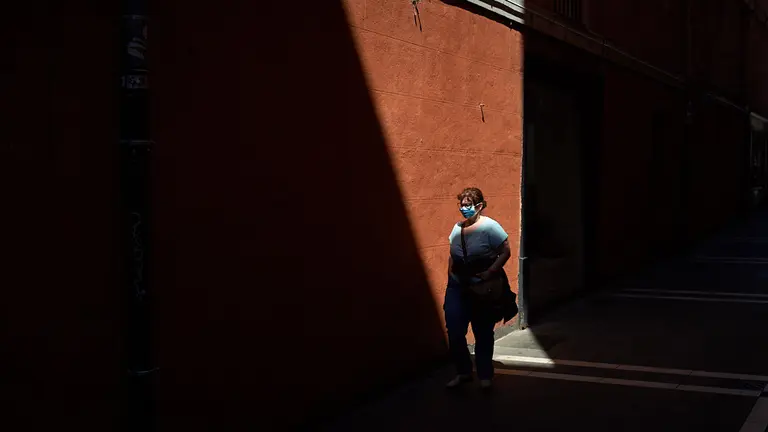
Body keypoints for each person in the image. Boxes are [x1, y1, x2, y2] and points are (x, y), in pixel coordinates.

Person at [444, 187, 515, 390]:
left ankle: (485, 375)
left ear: (479, 206)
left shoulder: (490, 227)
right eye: (462, 204)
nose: (464, 208)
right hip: (457, 284)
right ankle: (463, 372)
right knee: (455, 331)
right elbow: (453, 253)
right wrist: (450, 271)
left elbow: (506, 251)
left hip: (481, 284)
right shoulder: (457, 228)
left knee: (482, 330)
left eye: (468, 204)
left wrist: (491, 271)